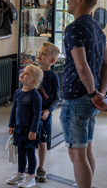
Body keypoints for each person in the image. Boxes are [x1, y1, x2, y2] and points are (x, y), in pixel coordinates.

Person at [60, 0, 107, 188]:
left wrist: (93, 93)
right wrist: (101, 93)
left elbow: (82, 67)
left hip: (76, 101)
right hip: (89, 101)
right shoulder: (97, 28)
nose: (68, 0)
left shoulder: (74, 28)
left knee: (76, 153)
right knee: (86, 150)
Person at [7, 65, 44, 188]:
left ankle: (31, 176)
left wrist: (33, 130)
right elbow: (14, 110)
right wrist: (11, 125)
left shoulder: (35, 96)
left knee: (30, 152)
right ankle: (21, 173)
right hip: (19, 128)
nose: (23, 73)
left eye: (27, 73)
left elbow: (37, 114)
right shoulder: (18, 92)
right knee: (20, 152)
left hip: (29, 129)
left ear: (34, 81)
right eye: (23, 71)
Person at [35, 42, 61, 183]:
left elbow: (57, 97)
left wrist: (48, 111)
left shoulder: (53, 77)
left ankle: (40, 167)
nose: (39, 55)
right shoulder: (32, 71)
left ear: (52, 60)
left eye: (44, 53)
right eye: (39, 52)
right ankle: (28, 168)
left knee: (42, 141)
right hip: (30, 114)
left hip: (44, 115)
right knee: (28, 140)